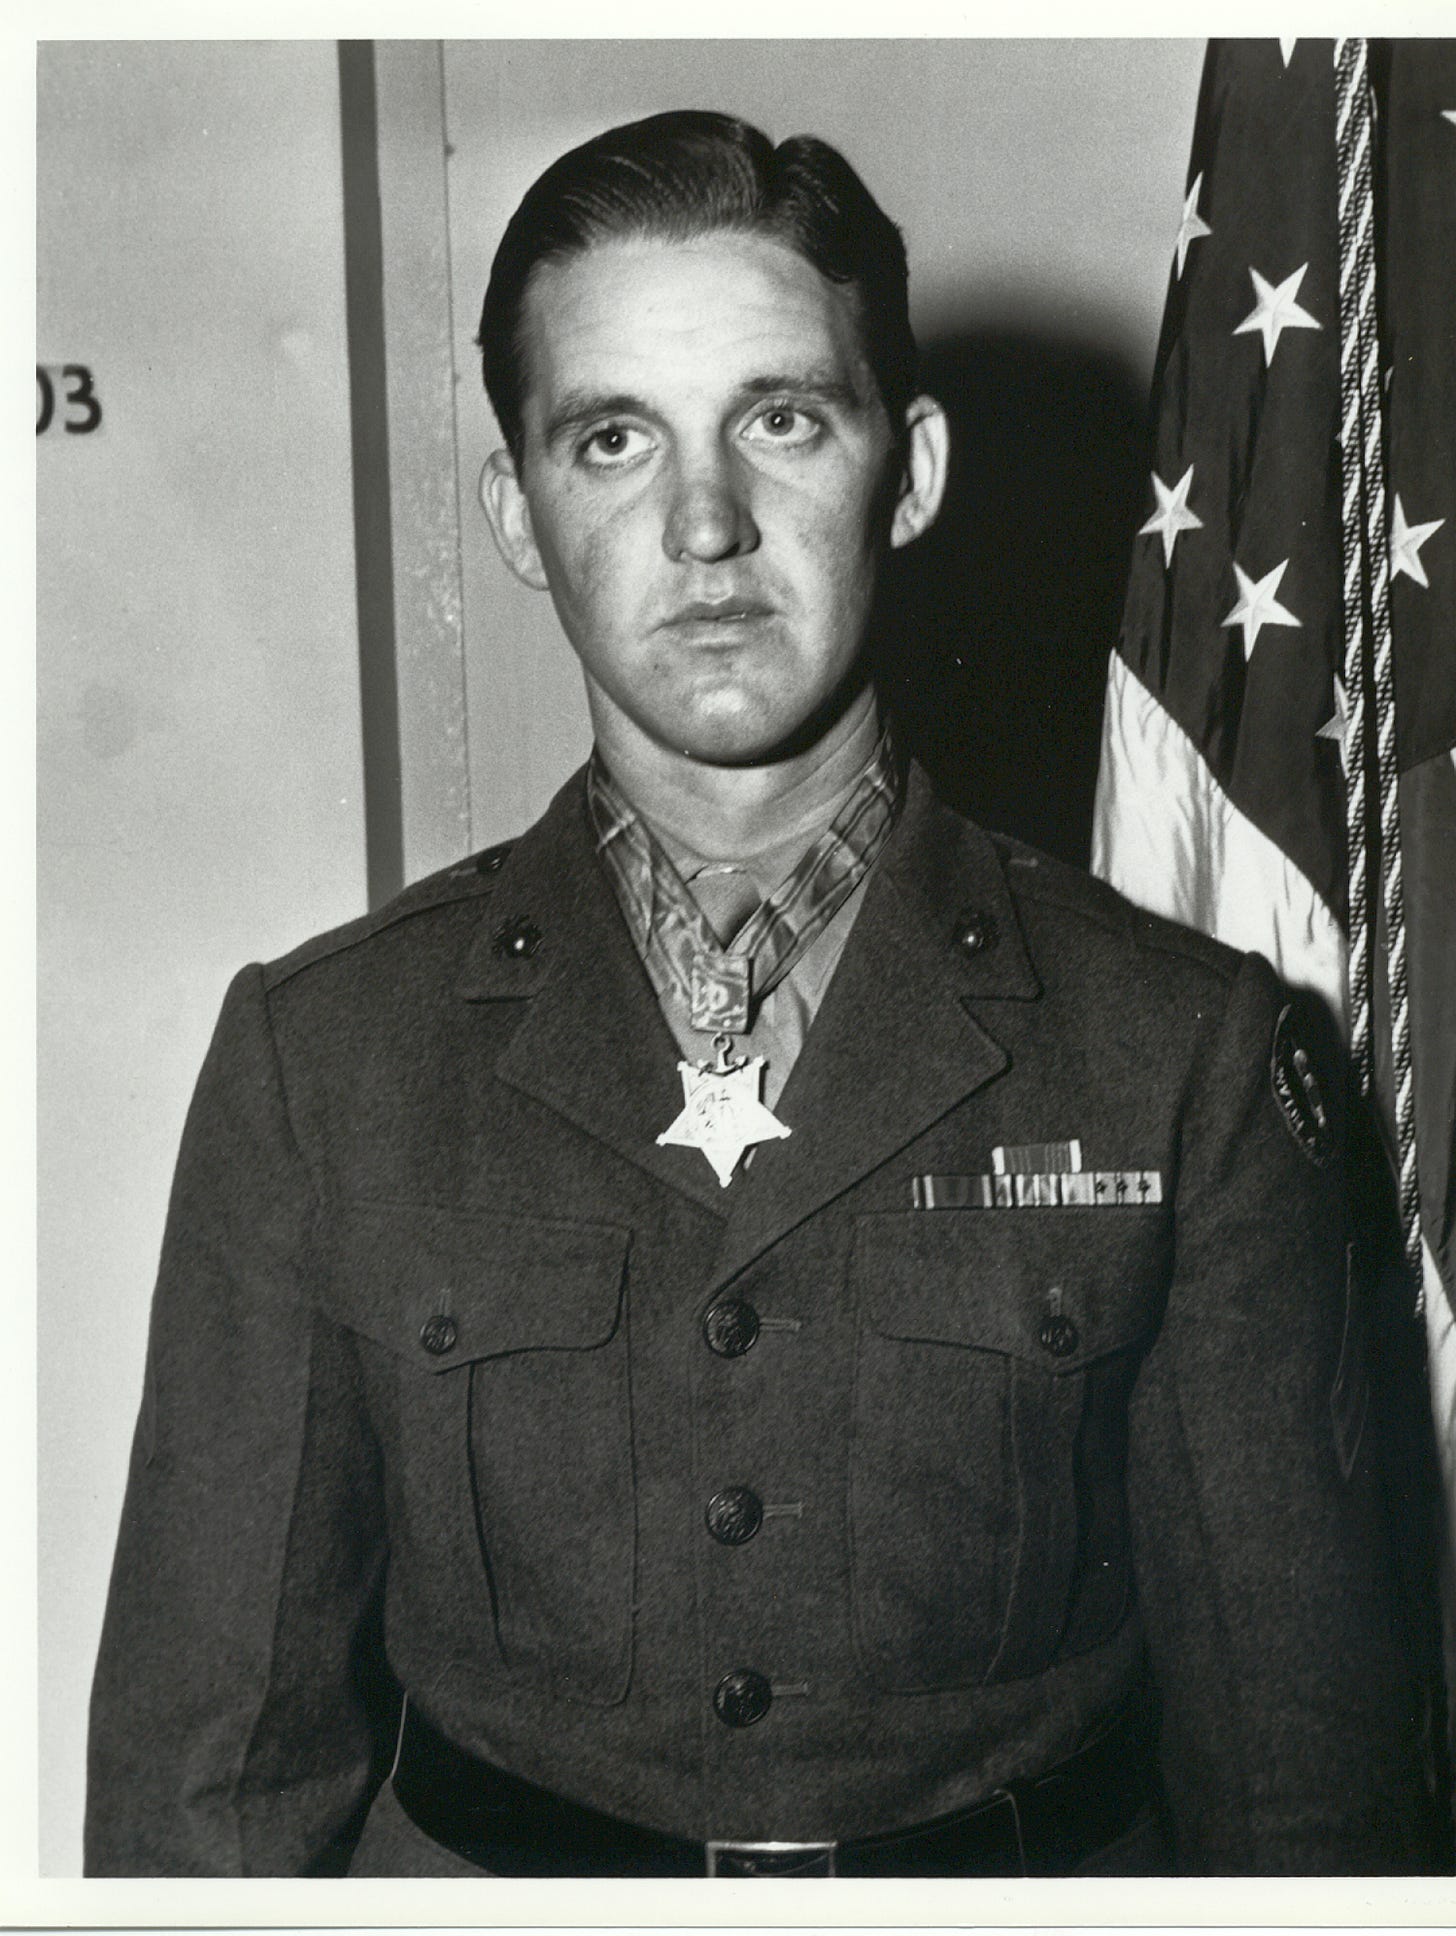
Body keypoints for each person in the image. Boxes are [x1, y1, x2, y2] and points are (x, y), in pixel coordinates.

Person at [86, 108, 1440, 1877]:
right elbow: (208, 1793)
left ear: (914, 467)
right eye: (613, 439)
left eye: (781, 420)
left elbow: (1308, 1803)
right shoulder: (324, 1060)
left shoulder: (1184, 1053)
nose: (706, 524)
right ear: (515, 510)